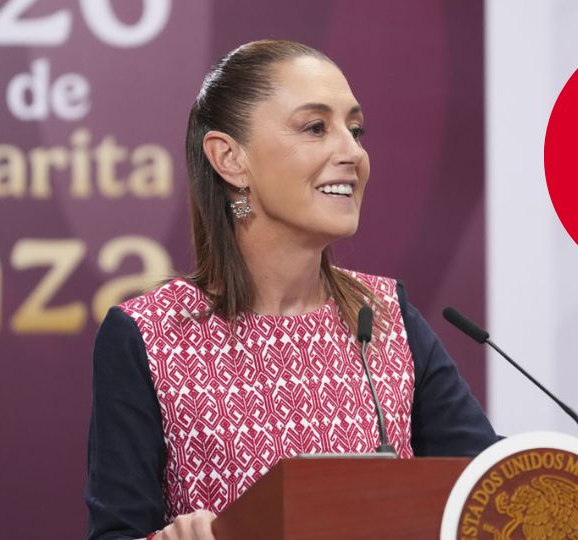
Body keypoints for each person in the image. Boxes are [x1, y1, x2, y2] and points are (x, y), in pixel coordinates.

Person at [85, 39, 498, 540]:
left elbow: (491, 491)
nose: (352, 152)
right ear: (230, 159)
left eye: (356, 129)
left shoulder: (386, 316)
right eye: (315, 127)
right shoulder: (148, 336)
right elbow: (117, 531)